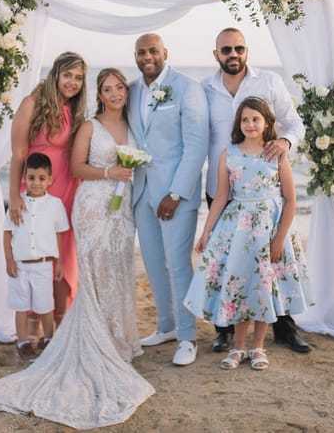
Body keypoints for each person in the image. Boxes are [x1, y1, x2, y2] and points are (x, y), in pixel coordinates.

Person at [0, 68, 154, 429]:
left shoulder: (133, 124)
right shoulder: (85, 124)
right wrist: (110, 174)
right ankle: (56, 335)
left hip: (120, 208)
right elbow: (71, 166)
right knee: (89, 270)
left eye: (119, 87)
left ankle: (118, 337)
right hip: (90, 203)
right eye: (107, 88)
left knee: (117, 270)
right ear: (99, 94)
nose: (114, 93)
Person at [202, 27, 311, 354]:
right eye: (226, 49)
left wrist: (284, 142)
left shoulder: (269, 82)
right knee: (226, 264)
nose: (233, 54)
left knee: (272, 262)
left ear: (246, 51)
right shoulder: (204, 89)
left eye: (238, 48)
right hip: (223, 189)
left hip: (266, 197)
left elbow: (295, 124)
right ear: (216, 54)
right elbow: (195, 137)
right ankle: (224, 331)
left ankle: (285, 329)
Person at [185, 97, 314, 370]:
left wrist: (280, 238)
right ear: (238, 123)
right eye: (245, 119)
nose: (250, 124)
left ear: (267, 123)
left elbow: (291, 200)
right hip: (239, 231)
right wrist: (206, 232)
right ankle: (238, 347)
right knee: (239, 286)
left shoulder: (277, 154)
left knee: (264, 287)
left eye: (256, 119)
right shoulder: (229, 154)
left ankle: (258, 347)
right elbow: (221, 196)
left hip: (269, 230)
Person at [128, 33, 209, 366]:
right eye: (141, 52)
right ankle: (166, 325)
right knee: (152, 263)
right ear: (135, 56)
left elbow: (196, 146)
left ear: (165, 52)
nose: (147, 57)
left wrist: (175, 193)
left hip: (175, 196)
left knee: (178, 264)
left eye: (153, 51)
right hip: (142, 191)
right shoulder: (132, 90)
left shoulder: (188, 88)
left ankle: (188, 336)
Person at [8, 51, 87, 332]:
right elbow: (19, 154)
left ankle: (60, 329)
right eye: (67, 75)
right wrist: (14, 197)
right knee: (35, 256)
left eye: (79, 78)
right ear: (55, 75)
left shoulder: (75, 110)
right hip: (35, 192)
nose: (72, 82)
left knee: (63, 257)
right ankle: (31, 332)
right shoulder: (32, 103)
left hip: (67, 192)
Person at [3, 152, 69, 361]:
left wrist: (59, 263)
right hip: (20, 266)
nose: (36, 183)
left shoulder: (55, 205)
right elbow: (7, 233)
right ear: (25, 178)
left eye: (41, 178)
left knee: (45, 305)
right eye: (31, 178)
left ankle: (48, 339)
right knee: (21, 306)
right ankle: (23, 343)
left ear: (50, 180)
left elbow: (58, 235)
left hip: (43, 265)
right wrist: (9, 260)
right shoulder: (17, 204)